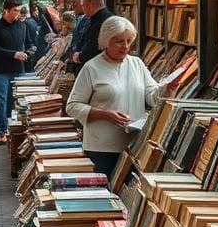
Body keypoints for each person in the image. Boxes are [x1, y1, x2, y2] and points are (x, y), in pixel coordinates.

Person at [66, 16, 169, 180]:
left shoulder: (137, 64)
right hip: (101, 148)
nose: (125, 46)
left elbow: (152, 97)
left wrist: (168, 88)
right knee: (104, 198)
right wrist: (105, 114)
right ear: (106, 40)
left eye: (129, 41)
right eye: (119, 41)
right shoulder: (91, 68)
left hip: (134, 145)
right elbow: (72, 106)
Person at [0, 0, 29, 144]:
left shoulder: (22, 25)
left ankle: (15, 129)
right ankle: (1, 131)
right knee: (1, 99)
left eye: (18, 11)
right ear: (6, 10)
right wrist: (14, 54)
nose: (17, 13)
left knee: (16, 100)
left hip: (18, 69)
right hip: (0, 70)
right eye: (14, 10)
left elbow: (29, 44)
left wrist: (28, 53)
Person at [77, 0, 114, 68]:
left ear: (89, 5)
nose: (83, 10)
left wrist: (79, 56)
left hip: (99, 69)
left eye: (83, 6)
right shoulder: (109, 17)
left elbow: (93, 48)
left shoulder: (98, 22)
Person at [19, 5, 38, 72]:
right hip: (32, 49)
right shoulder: (33, 22)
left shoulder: (24, 23)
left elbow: (27, 39)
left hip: (27, 51)